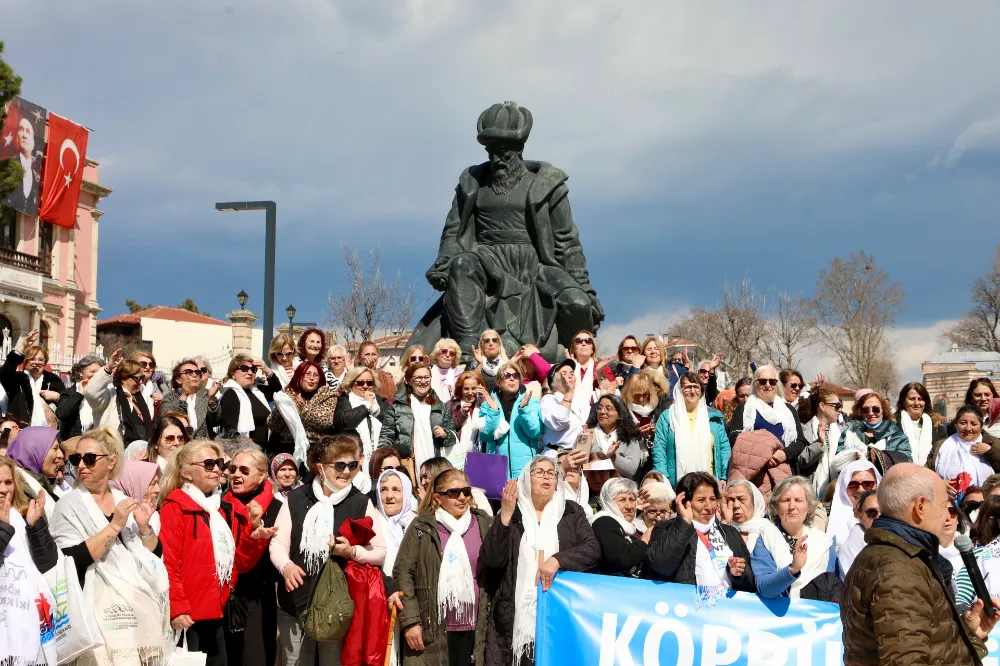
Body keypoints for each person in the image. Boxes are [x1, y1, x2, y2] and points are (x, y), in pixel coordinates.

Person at [411, 100, 604, 362]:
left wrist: (585, 289)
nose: (496, 158)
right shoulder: (471, 184)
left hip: (535, 265)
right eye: (491, 150)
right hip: (486, 261)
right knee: (462, 264)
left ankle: (575, 363)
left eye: (504, 151)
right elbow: (453, 232)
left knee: (577, 305)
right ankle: (469, 348)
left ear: (519, 148)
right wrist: (445, 262)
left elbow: (567, 242)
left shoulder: (548, 185)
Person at [841, 463, 998, 665]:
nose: (948, 516)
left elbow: (928, 646)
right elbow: (906, 660)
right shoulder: (898, 568)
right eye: (944, 507)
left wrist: (970, 634)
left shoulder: (896, 556)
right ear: (921, 507)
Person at [50, 427, 170, 664]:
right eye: (76, 459)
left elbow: (154, 554)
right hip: (96, 609)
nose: (81, 465)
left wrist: (145, 528)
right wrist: (114, 526)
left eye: (90, 459)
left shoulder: (120, 498)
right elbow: (70, 561)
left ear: (112, 461)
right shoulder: (68, 505)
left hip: (138, 605)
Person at [268, 435, 386, 665]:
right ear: (320, 467)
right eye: (339, 465)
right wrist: (286, 566)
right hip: (295, 602)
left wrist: (352, 552)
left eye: (352, 465)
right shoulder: (296, 498)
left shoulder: (360, 502)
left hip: (336, 608)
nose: (346, 472)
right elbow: (278, 543)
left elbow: (380, 551)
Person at [159, 440, 274, 666]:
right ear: (187, 472)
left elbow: (238, 563)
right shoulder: (174, 508)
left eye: (219, 463)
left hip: (217, 611)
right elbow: (168, 563)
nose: (217, 469)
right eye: (209, 464)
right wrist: (178, 608)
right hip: (188, 617)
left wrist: (253, 537)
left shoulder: (222, 510)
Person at [480, 455, 600, 666]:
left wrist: (558, 560)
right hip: (514, 612)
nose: (547, 477)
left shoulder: (571, 512)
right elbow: (492, 559)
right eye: (539, 472)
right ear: (527, 478)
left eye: (551, 473)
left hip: (559, 609)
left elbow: (592, 550)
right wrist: (505, 516)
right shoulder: (513, 512)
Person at [393, 468, 493, 665]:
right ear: (438, 498)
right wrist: (411, 621)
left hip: (475, 625)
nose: (462, 497)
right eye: (454, 493)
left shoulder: (483, 523)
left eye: (466, 491)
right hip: (434, 627)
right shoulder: (421, 527)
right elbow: (403, 573)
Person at [644, 471, 756, 594]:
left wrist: (737, 573)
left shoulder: (729, 532)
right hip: (688, 608)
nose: (709, 507)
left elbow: (751, 582)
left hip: (726, 608)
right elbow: (661, 566)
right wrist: (684, 523)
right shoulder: (666, 528)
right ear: (683, 501)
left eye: (712, 499)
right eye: (701, 500)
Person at [223, 446, 283, 666]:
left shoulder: (276, 508)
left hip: (259, 594)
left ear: (262, 476)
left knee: (257, 656)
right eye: (233, 469)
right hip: (227, 593)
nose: (237, 474)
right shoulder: (220, 505)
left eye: (245, 471)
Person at [0, 454, 60, 666]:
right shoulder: (7, 522)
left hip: (31, 623)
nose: (3, 489)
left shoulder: (19, 515)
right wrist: (3, 529)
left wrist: (35, 526)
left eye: (8, 482)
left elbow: (48, 563)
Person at [751, 476, 839, 601]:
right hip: (783, 616)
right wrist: (793, 569)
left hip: (818, 615)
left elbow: (835, 582)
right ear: (776, 506)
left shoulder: (824, 542)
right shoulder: (765, 538)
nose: (792, 506)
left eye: (798, 500)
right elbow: (765, 589)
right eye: (786, 500)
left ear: (808, 507)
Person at [379, 363, 458, 475]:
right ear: (409, 381)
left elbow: (453, 436)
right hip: (408, 465)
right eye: (418, 378)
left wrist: (445, 434)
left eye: (426, 377)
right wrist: (384, 461)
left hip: (435, 464)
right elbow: (386, 436)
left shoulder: (439, 405)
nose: (423, 381)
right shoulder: (397, 406)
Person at [726, 365, 808, 473]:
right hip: (754, 470)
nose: (768, 385)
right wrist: (764, 454)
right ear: (755, 384)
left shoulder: (788, 410)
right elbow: (735, 438)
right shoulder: (744, 408)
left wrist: (784, 454)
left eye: (772, 381)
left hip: (785, 468)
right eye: (763, 381)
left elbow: (800, 440)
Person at [653, 372, 730, 486]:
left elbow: (724, 449)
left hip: (710, 483)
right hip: (676, 484)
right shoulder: (668, 417)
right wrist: (664, 479)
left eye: (696, 387)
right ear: (679, 390)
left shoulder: (713, 417)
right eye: (688, 387)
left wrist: (724, 476)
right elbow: (659, 450)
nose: (693, 391)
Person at [480, 362, 543, 480]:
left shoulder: (531, 401)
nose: (512, 378)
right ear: (498, 382)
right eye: (506, 375)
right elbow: (485, 436)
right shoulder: (487, 404)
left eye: (515, 376)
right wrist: (494, 412)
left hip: (525, 469)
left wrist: (524, 410)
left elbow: (534, 432)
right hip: (497, 468)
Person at [85, 348, 155, 446]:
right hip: (113, 451)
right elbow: (92, 393)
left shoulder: (145, 398)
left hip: (141, 451)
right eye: (137, 378)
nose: (140, 382)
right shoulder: (110, 394)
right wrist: (108, 368)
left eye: (142, 378)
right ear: (123, 378)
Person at [334, 365, 391, 482]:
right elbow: (345, 421)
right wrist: (366, 405)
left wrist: (375, 409)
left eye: (369, 383)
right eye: (360, 383)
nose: (365, 386)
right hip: (354, 458)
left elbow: (390, 421)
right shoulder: (345, 400)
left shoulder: (380, 401)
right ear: (351, 384)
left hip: (380, 456)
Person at [268, 361, 339, 454]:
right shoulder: (286, 395)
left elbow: (325, 421)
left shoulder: (328, 396)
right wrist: (281, 408)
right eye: (307, 374)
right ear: (299, 376)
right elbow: (273, 425)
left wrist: (300, 408)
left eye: (315, 375)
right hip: (287, 447)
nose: (312, 378)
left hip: (316, 449)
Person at [0, 329, 66, 427]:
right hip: (21, 429)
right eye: (32, 359)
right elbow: (5, 372)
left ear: (45, 362)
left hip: (49, 432)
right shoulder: (16, 379)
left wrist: (58, 397)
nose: (36, 362)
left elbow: (69, 403)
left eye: (41, 360)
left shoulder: (53, 380)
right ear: (25, 362)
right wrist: (23, 346)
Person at [928, 405, 1000, 491]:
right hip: (949, 501)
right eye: (963, 423)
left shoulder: (994, 443)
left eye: (974, 424)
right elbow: (926, 473)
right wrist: (938, 483)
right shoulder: (940, 446)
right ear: (955, 424)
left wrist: (990, 451)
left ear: (981, 426)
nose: (968, 428)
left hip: (986, 501)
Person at [591, 477, 649, 577]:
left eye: (632, 499)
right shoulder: (604, 522)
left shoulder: (625, 526)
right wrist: (644, 542)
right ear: (609, 502)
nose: (629, 506)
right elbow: (621, 558)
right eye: (621, 500)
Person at [837, 391, 912, 464]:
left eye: (876, 409)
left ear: (883, 410)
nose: (871, 413)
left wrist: (879, 458)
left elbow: (906, 462)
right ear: (860, 412)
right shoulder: (848, 433)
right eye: (865, 410)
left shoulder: (898, 436)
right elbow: (838, 460)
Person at [585, 393, 647, 481]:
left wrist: (614, 457)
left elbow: (631, 470)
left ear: (620, 415)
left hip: (619, 488)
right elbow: (577, 465)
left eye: (608, 409)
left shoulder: (629, 437)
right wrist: (585, 445)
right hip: (591, 486)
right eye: (599, 408)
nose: (602, 412)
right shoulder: (587, 434)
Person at [6, 426, 63, 516]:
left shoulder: (45, 482)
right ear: (34, 451)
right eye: (55, 448)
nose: (61, 455)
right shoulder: (21, 490)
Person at [799, 388, 845, 498]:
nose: (839, 410)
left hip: (838, 493)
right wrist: (819, 443)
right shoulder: (803, 429)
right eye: (837, 406)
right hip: (812, 495)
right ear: (822, 406)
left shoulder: (842, 431)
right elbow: (800, 462)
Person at [220, 354, 272, 448]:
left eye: (253, 369)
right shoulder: (230, 394)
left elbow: (279, 390)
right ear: (233, 373)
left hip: (265, 451)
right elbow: (231, 430)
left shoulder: (258, 392)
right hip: (246, 453)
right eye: (244, 368)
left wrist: (267, 370)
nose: (250, 372)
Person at [161, 357, 221, 439]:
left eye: (197, 372)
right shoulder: (170, 398)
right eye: (189, 372)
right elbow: (168, 421)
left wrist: (212, 399)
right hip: (180, 445)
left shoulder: (206, 394)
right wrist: (184, 397)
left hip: (203, 445)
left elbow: (216, 421)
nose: (194, 375)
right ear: (178, 379)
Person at [827, 459, 881, 549]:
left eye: (867, 484)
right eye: (853, 484)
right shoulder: (825, 516)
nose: (860, 490)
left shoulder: (890, 516)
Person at [375, 467, 417, 574]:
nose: (389, 496)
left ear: (406, 494)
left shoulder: (418, 524)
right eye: (383, 490)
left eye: (396, 490)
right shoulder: (372, 521)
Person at [540, 359, 585, 455]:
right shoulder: (548, 400)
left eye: (572, 373)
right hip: (557, 456)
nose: (569, 376)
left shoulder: (578, 400)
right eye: (564, 373)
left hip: (578, 455)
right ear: (553, 383)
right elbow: (558, 424)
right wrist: (568, 394)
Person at [55, 355, 105, 440]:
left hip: (97, 442)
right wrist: (80, 394)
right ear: (80, 372)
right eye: (92, 371)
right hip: (73, 443)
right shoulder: (68, 393)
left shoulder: (104, 393)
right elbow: (62, 414)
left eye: (99, 372)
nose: (96, 375)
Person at [896, 382, 946, 466]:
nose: (916, 403)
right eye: (912, 399)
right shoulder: (892, 425)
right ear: (903, 401)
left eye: (920, 399)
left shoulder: (937, 426)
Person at [447, 371, 490, 469]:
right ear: (460, 389)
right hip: (455, 457)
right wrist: (461, 414)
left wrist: (485, 401)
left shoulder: (484, 405)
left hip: (479, 456)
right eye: (466, 389)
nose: (470, 392)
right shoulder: (451, 405)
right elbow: (447, 428)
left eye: (474, 388)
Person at [111, 459, 162, 533]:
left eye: (157, 483)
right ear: (133, 485)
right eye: (152, 484)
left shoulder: (154, 516)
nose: (158, 489)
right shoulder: (112, 516)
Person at [837, 489, 879, 577]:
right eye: (871, 513)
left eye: (883, 512)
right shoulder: (850, 549)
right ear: (860, 515)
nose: (878, 517)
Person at [621, 369, 671, 443]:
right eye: (636, 395)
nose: (641, 399)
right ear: (628, 393)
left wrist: (656, 434)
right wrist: (635, 433)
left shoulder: (660, 409)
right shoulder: (620, 411)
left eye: (645, 394)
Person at [726, 479, 770, 551]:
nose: (736, 505)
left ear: (755, 502)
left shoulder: (768, 529)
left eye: (741, 499)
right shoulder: (722, 531)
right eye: (731, 500)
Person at [430, 338, 464, 403]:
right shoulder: (427, 372)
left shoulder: (461, 375)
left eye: (452, 353)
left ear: (455, 358)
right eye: (444, 351)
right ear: (436, 354)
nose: (447, 355)